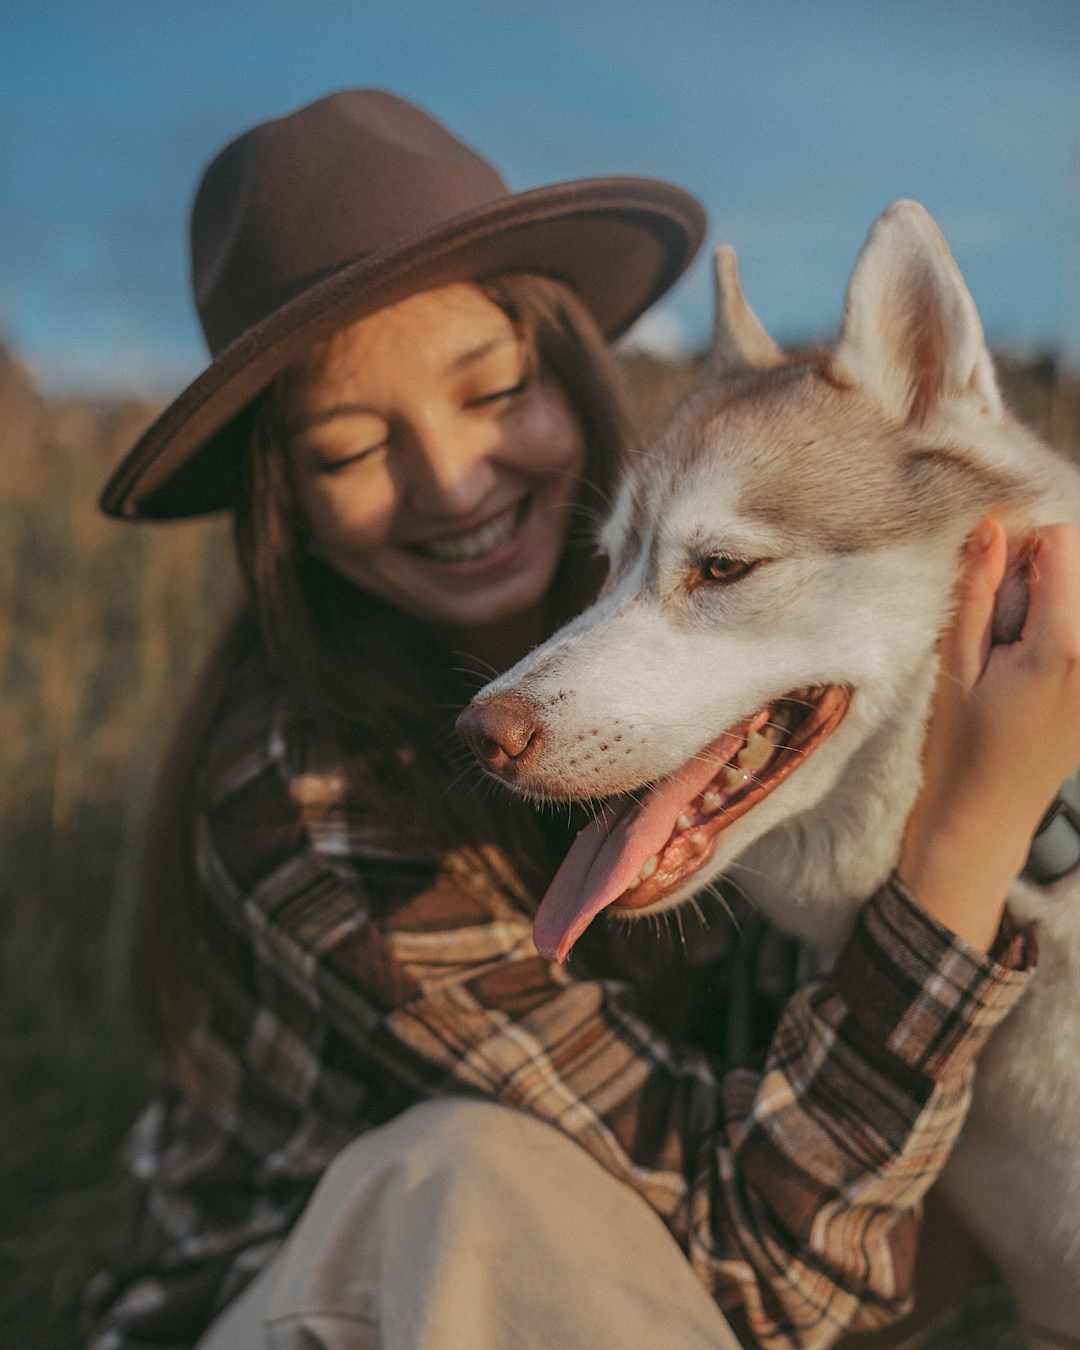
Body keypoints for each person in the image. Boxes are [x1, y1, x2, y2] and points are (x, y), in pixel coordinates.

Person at [85, 89, 1080, 1350]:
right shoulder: (304, 794)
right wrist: (974, 842)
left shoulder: (648, 612)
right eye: (346, 449)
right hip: (335, 1298)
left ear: (564, 368)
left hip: (669, 1245)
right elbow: (779, 1272)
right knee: (476, 1176)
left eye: (491, 390)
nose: (452, 480)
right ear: (290, 503)